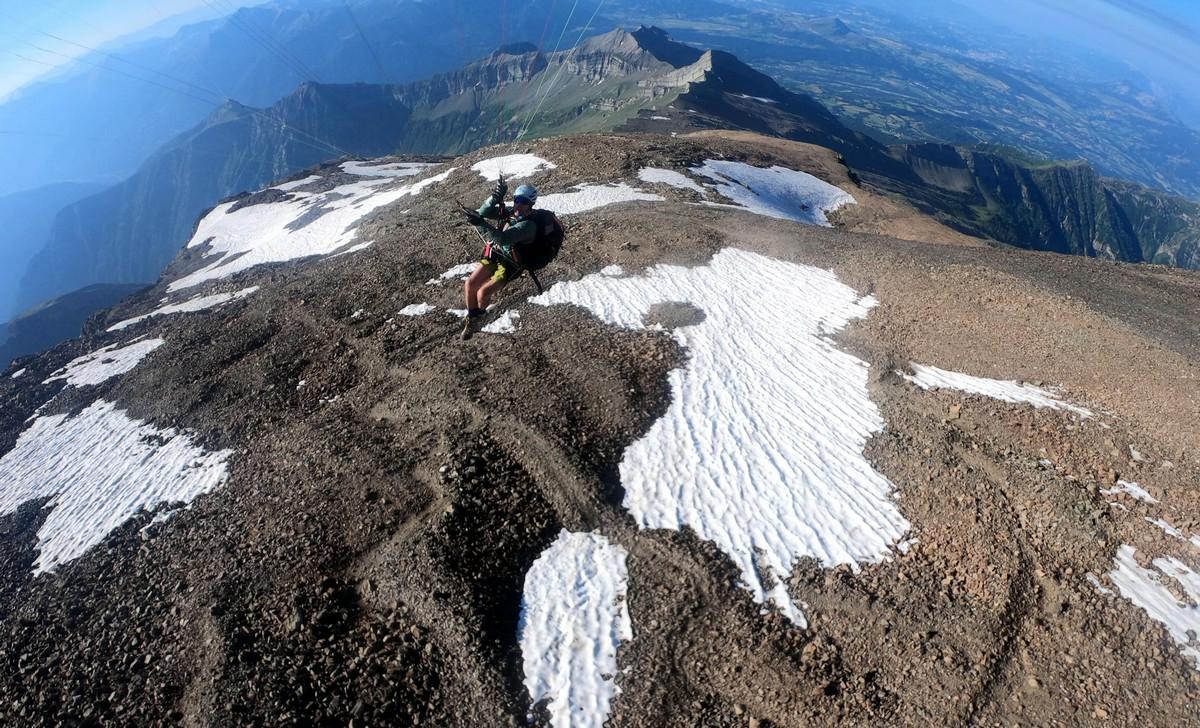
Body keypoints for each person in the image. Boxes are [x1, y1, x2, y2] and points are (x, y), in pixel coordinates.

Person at [458, 178, 539, 340]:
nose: (518, 205)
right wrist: (494, 197)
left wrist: (480, 223)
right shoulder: (511, 213)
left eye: (523, 202)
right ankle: (473, 317)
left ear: (531, 204)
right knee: (470, 284)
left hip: (510, 265)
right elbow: (483, 211)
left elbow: (503, 239)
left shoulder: (528, 225)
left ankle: (479, 318)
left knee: (483, 292)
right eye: (517, 200)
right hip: (495, 255)